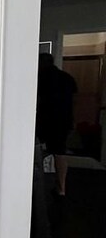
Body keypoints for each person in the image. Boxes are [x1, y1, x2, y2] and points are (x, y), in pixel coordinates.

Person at [36, 52, 77, 196]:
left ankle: (36, 186)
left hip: (44, 121)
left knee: (38, 153)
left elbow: (38, 102)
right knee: (59, 154)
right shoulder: (67, 78)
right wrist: (72, 120)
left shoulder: (40, 78)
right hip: (63, 121)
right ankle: (62, 188)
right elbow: (73, 102)